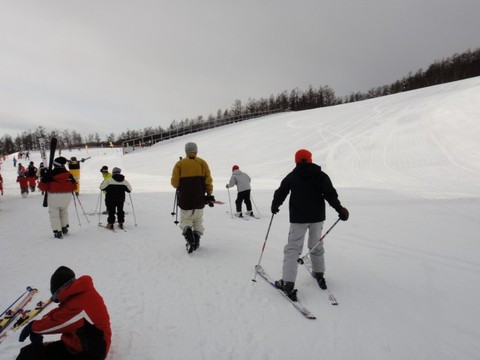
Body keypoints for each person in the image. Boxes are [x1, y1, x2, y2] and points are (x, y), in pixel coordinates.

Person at [271, 149, 349, 301]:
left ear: (297, 161)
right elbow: (330, 194)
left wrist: (275, 205)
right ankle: (319, 274)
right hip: (317, 218)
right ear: (310, 159)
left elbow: (281, 191)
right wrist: (340, 209)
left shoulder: (293, 176)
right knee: (316, 245)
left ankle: (287, 284)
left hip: (298, 218)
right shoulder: (320, 175)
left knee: (293, 249)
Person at [17, 266, 111, 360]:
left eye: (56, 297)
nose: (57, 300)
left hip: (91, 352)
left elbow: (57, 322)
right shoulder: (79, 294)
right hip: (77, 345)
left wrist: (34, 327)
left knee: (30, 356)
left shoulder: (80, 305)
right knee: (29, 352)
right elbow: (61, 312)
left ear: (61, 289)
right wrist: (37, 325)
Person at [171, 142, 214, 253]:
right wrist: (209, 194)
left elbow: (174, 183)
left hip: (185, 199)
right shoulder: (202, 163)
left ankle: (190, 238)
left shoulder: (179, 164)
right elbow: (208, 181)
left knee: (185, 220)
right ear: (196, 150)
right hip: (199, 199)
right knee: (198, 221)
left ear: (186, 151)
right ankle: (197, 240)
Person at [38, 157, 77, 239]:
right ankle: (64, 227)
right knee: (64, 211)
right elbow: (74, 186)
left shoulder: (50, 174)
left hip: (54, 197)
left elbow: (42, 187)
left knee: (54, 214)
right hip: (67, 197)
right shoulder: (69, 174)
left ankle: (57, 231)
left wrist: (44, 177)